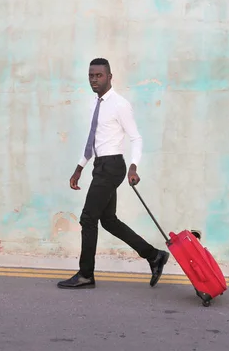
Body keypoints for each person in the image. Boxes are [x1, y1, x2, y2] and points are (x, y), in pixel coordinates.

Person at [57, 58, 170, 290]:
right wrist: (80, 167)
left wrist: (133, 166)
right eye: (91, 76)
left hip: (113, 166)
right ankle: (154, 256)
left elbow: (135, 137)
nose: (94, 80)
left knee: (88, 218)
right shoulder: (93, 104)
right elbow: (92, 141)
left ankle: (86, 274)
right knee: (108, 221)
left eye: (99, 75)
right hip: (100, 165)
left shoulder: (120, 104)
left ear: (110, 77)